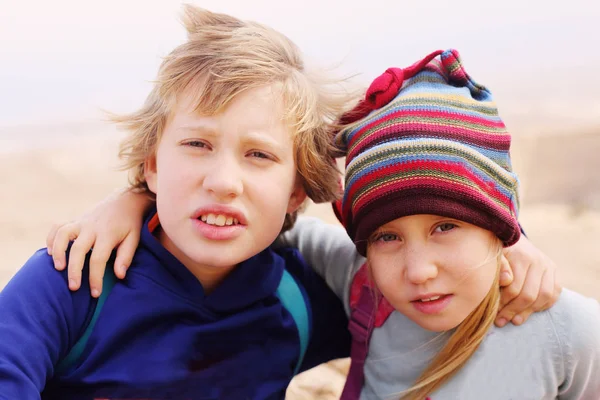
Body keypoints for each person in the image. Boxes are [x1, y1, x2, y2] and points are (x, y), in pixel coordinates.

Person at [0, 6, 352, 399]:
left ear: (296, 191)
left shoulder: (297, 300)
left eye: (259, 155)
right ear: (152, 165)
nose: (222, 183)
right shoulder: (71, 277)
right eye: (197, 144)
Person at [277, 49, 600, 399]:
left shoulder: (565, 332)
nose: (418, 272)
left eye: (445, 227)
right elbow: (285, 230)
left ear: (496, 223)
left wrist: (513, 236)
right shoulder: (363, 283)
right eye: (387, 236)